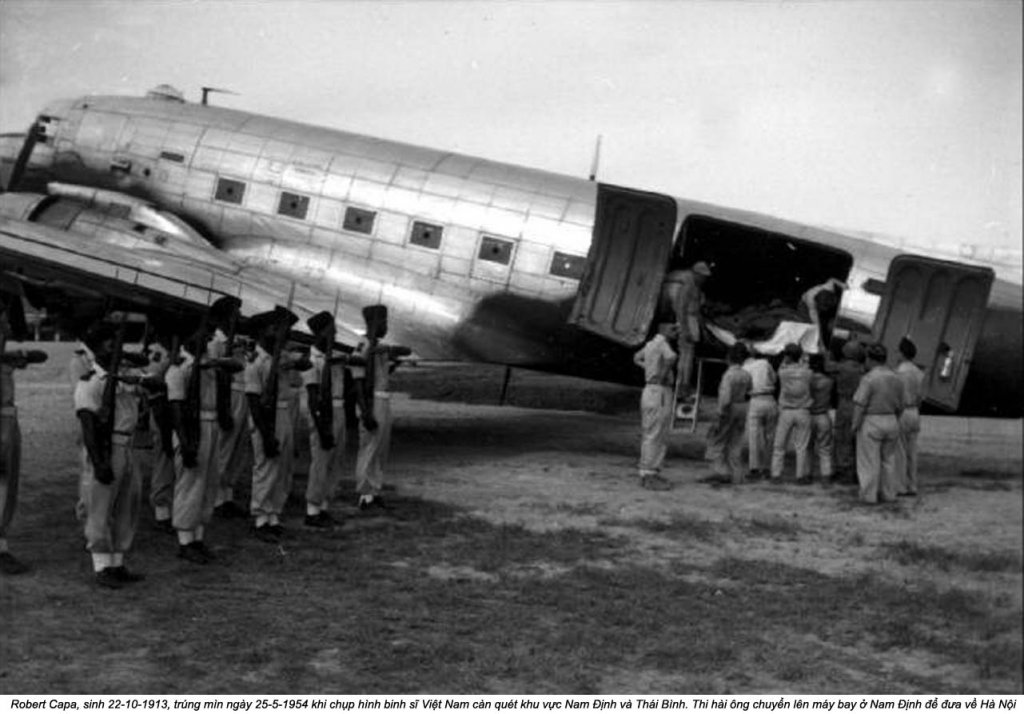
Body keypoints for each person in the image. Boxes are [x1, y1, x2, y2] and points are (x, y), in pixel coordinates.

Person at [166, 299, 243, 563]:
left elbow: (234, 367)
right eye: (203, 335)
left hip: (210, 426)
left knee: (208, 482)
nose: (208, 339)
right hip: (192, 427)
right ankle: (185, 540)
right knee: (190, 483)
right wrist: (186, 442)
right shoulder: (179, 367)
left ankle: (198, 536)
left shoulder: (209, 362)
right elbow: (176, 409)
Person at [75, 321, 146, 588]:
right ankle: (102, 565)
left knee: (128, 503)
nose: (116, 348)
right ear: (98, 349)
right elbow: (88, 425)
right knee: (101, 506)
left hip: (127, 445)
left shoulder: (124, 376)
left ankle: (117, 561)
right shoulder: (91, 382)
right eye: (109, 344)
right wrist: (100, 461)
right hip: (108, 447)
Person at [245, 307, 306, 542]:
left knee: (281, 466)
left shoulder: (278, 357)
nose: (282, 333)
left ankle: (273, 514)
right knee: (266, 466)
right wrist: (266, 433)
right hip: (265, 416)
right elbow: (253, 401)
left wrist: (287, 355)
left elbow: (305, 365)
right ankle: (260, 517)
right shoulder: (256, 361)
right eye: (277, 328)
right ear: (263, 331)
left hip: (283, 414)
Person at [0, 293, 47, 576]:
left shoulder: (6, 354)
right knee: (2, 483)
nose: (5, 321)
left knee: (7, 483)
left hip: (7, 418)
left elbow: (30, 344)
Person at [353, 305, 410, 510]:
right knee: (369, 447)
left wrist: (391, 360)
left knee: (380, 449)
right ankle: (364, 494)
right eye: (383, 322)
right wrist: (365, 411)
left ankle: (375, 491)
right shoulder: (363, 345)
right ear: (373, 323)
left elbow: (405, 352)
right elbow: (358, 382)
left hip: (384, 399)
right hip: (372, 401)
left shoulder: (380, 346)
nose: (386, 327)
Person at [301, 311, 347, 528]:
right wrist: (322, 428)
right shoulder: (312, 361)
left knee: (334, 462)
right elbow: (312, 400)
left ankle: (324, 505)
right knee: (320, 462)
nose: (336, 333)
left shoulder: (333, 356)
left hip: (338, 409)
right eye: (331, 329)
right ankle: (312, 511)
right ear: (320, 332)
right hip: (323, 412)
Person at [852, 343, 904, 504]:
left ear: (870, 359)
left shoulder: (869, 379)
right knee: (888, 460)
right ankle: (889, 494)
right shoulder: (896, 377)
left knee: (869, 461)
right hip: (891, 420)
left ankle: (869, 496)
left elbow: (860, 404)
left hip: (872, 420)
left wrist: (855, 425)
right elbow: (901, 405)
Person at [632, 323, 679, 491]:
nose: (676, 332)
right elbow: (671, 357)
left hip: (649, 389)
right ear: (664, 330)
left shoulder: (650, 344)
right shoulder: (662, 343)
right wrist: (663, 373)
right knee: (657, 434)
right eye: (673, 329)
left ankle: (647, 471)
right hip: (660, 391)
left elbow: (636, 358)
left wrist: (650, 370)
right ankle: (650, 473)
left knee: (650, 432)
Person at [658, 261, 711, 399]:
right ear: (697, 274)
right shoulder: (687, 286)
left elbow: (696, 309)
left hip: (691, 321)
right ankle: (682, 386)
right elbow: (680, 308)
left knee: (688, 355)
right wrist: (685, 328)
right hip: (686, 321)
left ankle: (683, 385)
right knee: (686, 356)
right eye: (703, 276)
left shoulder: (695, 286)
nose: (704, 280)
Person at [705, 342, 752, 485]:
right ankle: (738, 476)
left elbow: (725, 398)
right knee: (735, 442)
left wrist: (720, 414)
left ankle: (721, 472)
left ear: (729, 358)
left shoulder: (729, 375)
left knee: (717, 440)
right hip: (742, 406)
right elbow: (750, 390)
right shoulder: (746, 374)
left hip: (729, 408)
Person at [771, 343, 812, 483]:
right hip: (803, 411)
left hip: (787, 411)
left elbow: (782, 365)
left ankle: (776, 474)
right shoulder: (807, 372)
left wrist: (787, 358)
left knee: (779, 445)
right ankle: (800, 476)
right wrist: (802, 356)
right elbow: (806, 362)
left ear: (787, 356)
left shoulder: (783, 372)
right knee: (801, 446)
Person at [831, 340, 866, 484]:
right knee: (856, 440)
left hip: (844, 404)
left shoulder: (841, 367)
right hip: (859, 406)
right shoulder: (863, 370)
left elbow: (827, 366)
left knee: (842, 438)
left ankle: (843, 470)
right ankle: (857, 471)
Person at [894, 337, 925, 497]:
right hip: (915, 412)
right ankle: (912, 485)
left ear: (902, 353)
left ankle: (901, 486)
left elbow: (897, 396)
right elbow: (920, 397)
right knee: (912, 451)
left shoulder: (899, 372)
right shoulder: (919, 372)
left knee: (900, 451)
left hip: (903, 412)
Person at [742, 346, 777, 480]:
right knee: (770, 437)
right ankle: (767, 469)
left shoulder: (744, 369)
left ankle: (754, 469)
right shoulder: (765, 363)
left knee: (754, 437)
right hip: (770, 399)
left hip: (755, 400)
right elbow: (774, 379)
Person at [808, 354, 835, 484]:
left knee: (808, 447)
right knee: (825, 448)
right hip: (824, 415)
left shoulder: (807, 380)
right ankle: (826, 475)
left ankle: (807, 473)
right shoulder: (829, 381)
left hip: (809, 415)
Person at [801, 278, 846, 350]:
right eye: (825, 308)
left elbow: (832, 280)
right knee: (810, 326)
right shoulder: (811, 305)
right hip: (804, 306)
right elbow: (817, 327)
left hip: (820, 302)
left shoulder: (828, 287)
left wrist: (842, 285)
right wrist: (822, 344)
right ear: (819, 306)